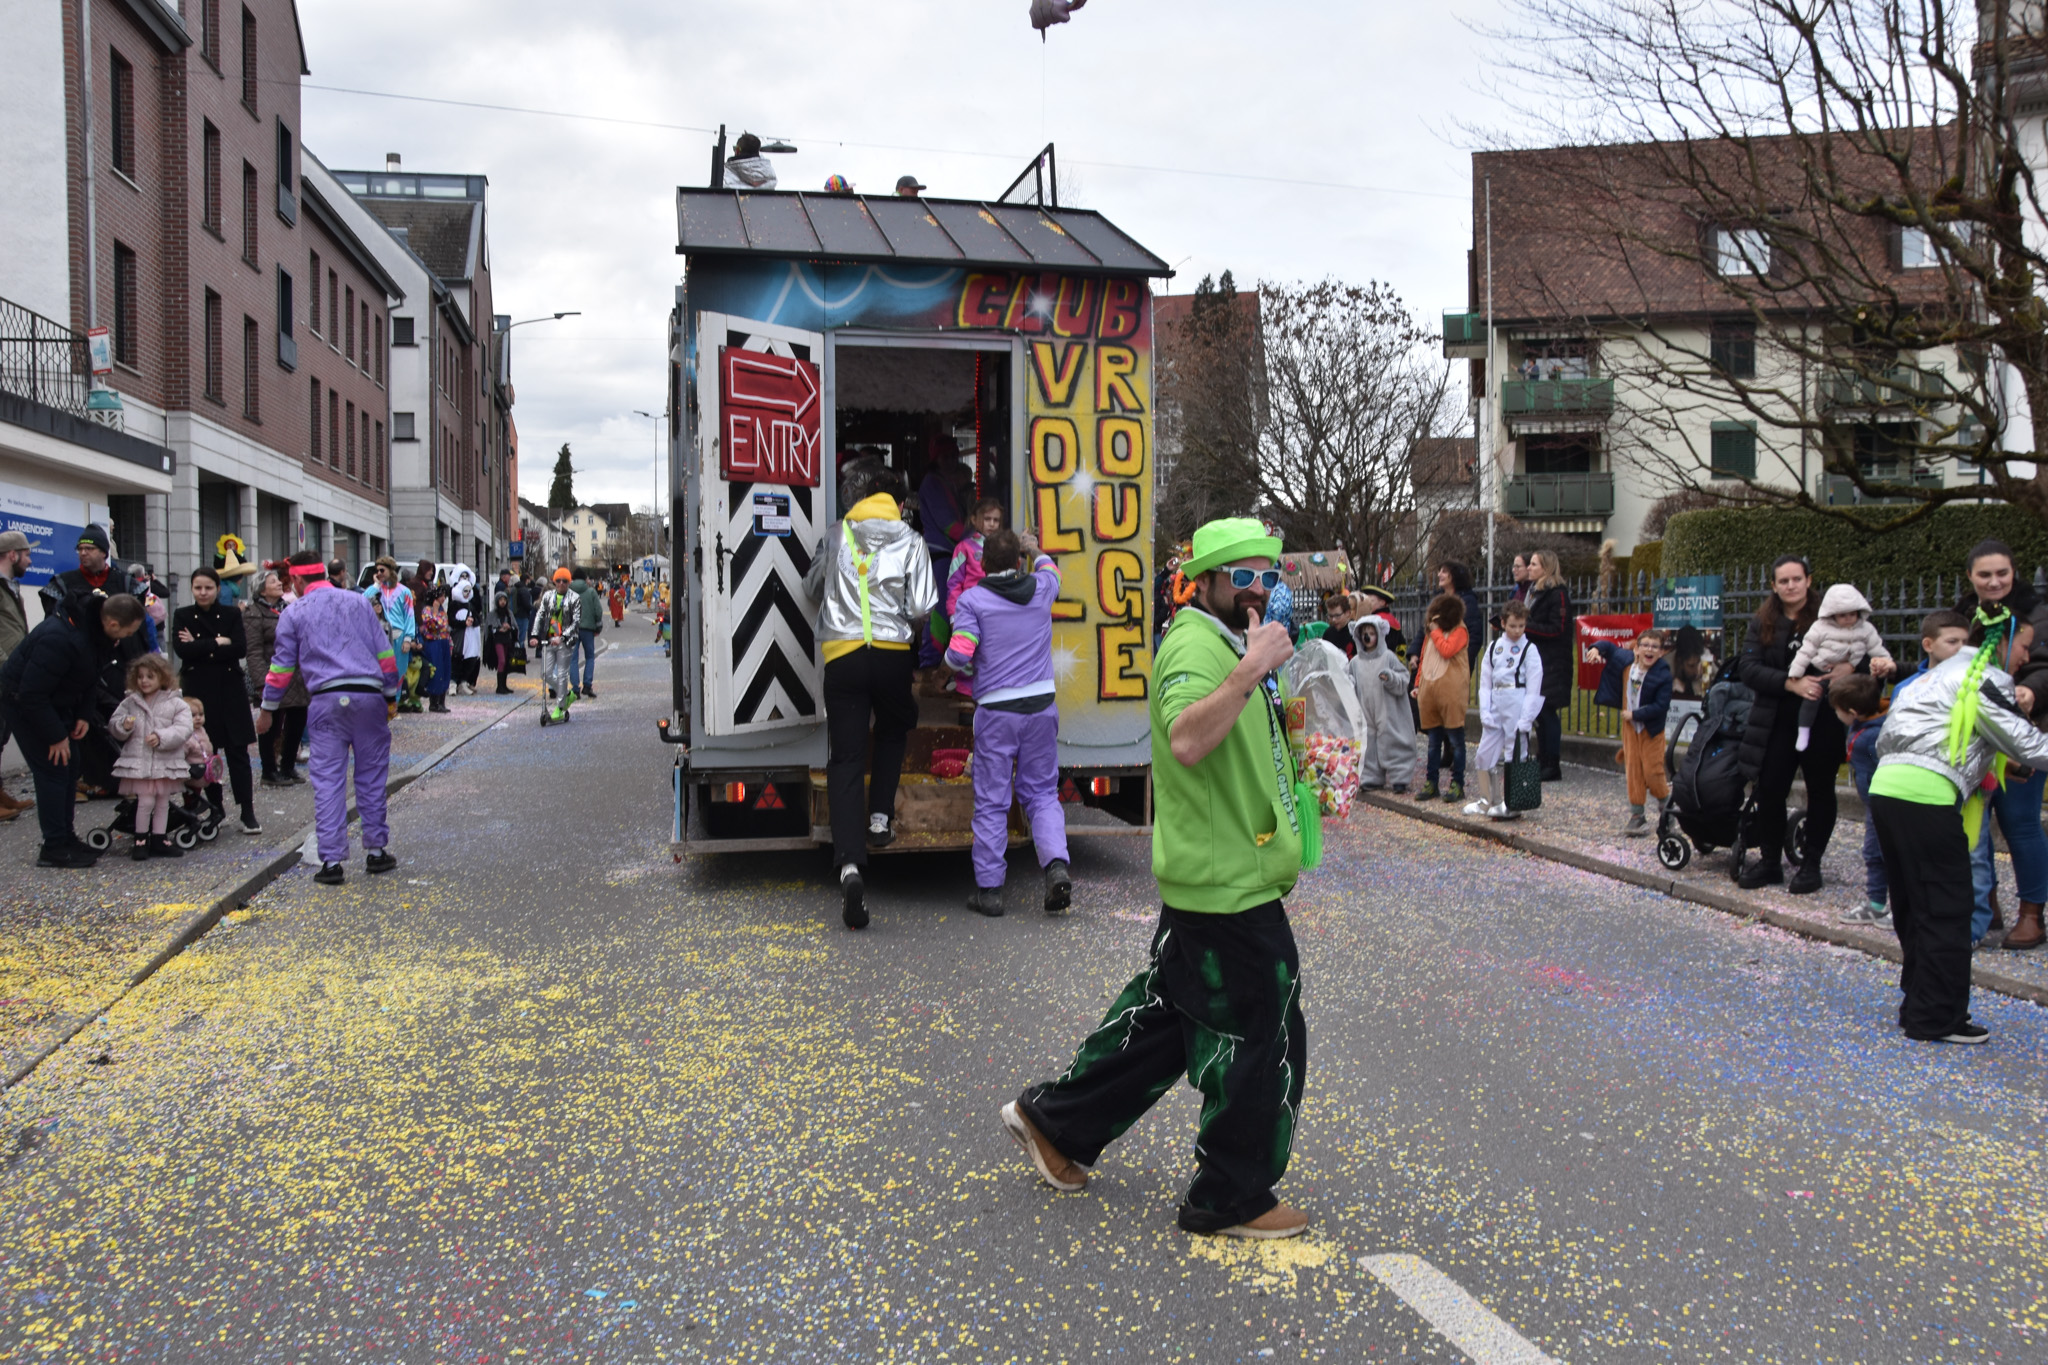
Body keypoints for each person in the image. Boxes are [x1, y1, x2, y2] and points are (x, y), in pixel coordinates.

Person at [1002, 515, 1310, 1240]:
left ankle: (1056, 1123)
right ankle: (1228, 1195)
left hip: (1223, 871)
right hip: (1225, 883)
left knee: (1172, 1019)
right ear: (1205, 582)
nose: (1258, 588)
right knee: (1264, 1027)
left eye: (1268, 574)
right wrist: (1251, 669)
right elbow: (1187, 738)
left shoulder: (1226, 640)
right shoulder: (1195, 646)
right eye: (1243, 576)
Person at [1867, 604, 2048, 1043]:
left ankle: (1917, 1003)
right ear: (2002, 642)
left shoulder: (1930, 677)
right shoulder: (1985, 677)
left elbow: (1917, 736)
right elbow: (2027, 743)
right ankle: (1936, 1019)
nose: (2026, 657)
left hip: (1886, 792)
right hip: (1927, 798)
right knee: (1947, 909)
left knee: (1914, 906)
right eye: (2024, 647)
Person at [804, 455, 937, 930]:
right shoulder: (912, 540)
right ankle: (880, 820)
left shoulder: (837, 534)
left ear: (859, 499)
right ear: (899, 504)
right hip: (891, 657)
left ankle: (849, 866)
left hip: (842, 658)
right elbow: (921, 606)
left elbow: (812, 586)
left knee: (845, 757)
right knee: (895, 726)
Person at [1735, 555, 1894, 894]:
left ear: (1808, 580)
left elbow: (1872, 654)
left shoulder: (1836, 614)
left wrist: (1850, 670)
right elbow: (1747, 668)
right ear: (1774, 585)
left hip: (1824, 716)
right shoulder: (1763, 621)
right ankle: (1769, 861)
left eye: (1797, 579)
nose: (1791, 585)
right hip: (1776, 717)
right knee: (1770, 789)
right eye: (1783, 581)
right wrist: (1789, 683)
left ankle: (1811, 864)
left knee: (1820, 789)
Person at [943, 528, 1070, 917]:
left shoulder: (973, 600)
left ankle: (990, 891)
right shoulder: (1042, 587)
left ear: (982, 564)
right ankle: (1056, 866)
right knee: (1042, 793)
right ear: (1017, 561)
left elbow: (959, 653)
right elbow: (1051, 569)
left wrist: (949, 669)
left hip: (997, 712)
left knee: (992, 799)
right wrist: (1033, 548)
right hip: (1042, 707)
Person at [259, 551, 401, 885]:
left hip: (325, 700)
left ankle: (332, 861)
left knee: (328, 781)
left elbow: (281, 668)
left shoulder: (293, 613)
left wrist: (268, 709)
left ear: (297, 579)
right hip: (368, 697)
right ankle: (376, 851)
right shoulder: (358, 602)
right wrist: (390, 696)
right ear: (323, 573)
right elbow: (384, 652)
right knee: (371, 776)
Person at [0, 592, 145, 866]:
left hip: (55, 701)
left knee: (71, 765)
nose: (127, 638)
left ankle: (67, 837)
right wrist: (55, 736)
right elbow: (31, 694)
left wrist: (83, 715)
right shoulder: (59, 639)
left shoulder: (95, 633)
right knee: (54, 769)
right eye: (128, 632)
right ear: (113, 623)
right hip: (24, 703)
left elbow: (90, 677)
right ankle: (54, 847)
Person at [1954, 540, 2048, 950]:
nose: (1994, 582)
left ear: (2014, 572)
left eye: (2002, 573)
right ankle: (1985, 902)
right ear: (1970, 576)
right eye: (1985, 574)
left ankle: (2033, 914)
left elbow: (2044, 664)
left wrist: (2031, 691)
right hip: (1976, 734)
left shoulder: (2039, 614)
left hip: (2025, 728)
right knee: (1976, 824)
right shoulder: (1963, 614)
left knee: (2019, 822)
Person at [42, 523, 147, 798]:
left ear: (103, 552)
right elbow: (55, 621)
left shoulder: (126, 583)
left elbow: (140, 627)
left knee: (124, 718)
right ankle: (89, 780)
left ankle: (129, 777)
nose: (83, 553)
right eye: (80, 549)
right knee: (85, 723)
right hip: (81, 663)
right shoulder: (63, 584)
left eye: (89, 549)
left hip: (122, 663)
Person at [172, 566, 261, 834]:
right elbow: (182, 650)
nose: (203, 592)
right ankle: (215, 808)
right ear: (191, 588)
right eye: (198, 587)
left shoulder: (232, 614)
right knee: (204, 751)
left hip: (230, 688)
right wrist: (217, 642)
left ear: (217, 589)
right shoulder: (182, 614)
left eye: (208, 588)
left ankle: (247, 811)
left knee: (238, 751)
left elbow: (239, 648)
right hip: (198, 690)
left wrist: (201, 645)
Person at [1787, 584, 1893, 752]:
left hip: (1852, 674)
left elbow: (1876, 648)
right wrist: (1795, 672)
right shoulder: (1820, 628)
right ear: (1832, 614)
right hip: (1824, 670)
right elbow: (1806, 650)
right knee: (1812, 695)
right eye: (1843, 615)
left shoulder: (1865, 628)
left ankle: (1854, 737)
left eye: (1852, 614)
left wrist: (1886, 663)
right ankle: (1804, 730)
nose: (1848, 619)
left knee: (1855, 703)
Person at [107, 653, 193, 859]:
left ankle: (159, 838)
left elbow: (184, 728)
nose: (144, 681)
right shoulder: (130, 702)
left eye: (149, 676)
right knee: (145, 802)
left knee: (163, 802)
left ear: (162, 677)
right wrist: (123, 726)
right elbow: (114, 724)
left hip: (165, 762)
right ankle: (141, 840)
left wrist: (161, 736)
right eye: (140, 677)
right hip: (141, 762)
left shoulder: (176, 702)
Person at [1586, 627, 1672, 836]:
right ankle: (1637, 815)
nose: (1649, 650)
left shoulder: (1663, 675)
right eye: (1645, 645)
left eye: (1655, 647)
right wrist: (1595, 649)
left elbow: (1661, 706)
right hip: (1630, 729)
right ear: (1636, 649)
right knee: (1633, 771)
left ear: (1661, 652)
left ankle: (1666, 805)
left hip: (1651, 730)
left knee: (1652, 771)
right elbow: (1608, 647)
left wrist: (1636, 714)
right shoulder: (1626, 662)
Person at [1467, 599, 1544, 819]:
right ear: (1502, 623)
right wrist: (1485, 711)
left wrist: (1527, 717)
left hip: (1516, 699)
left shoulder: (1529, 649)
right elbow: (1485, 682)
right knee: (1484, 752)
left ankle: (1513, 802)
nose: (1517, 630)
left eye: (1521, 626)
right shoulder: (1494, 648)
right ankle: (1487, 800)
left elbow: (1534, 685)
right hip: (1497, 699)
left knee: (1515, 751)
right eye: (1512, 626)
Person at [243, 569, 308, 787]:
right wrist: (262, 682)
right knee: (270, 725)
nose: (279, 583)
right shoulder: (254, 613)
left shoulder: (288, 608)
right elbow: (253, 651)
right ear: (262, 589)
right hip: (272, 674)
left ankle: (288, 766)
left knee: (297, 721)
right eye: (273, 581)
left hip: (296, 676)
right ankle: (269, 770)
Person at [1412, 593, 1471, 803]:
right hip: (1431, 691)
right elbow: (1425, 659)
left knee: (1456, 740)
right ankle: (1432, 782)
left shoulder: (1459, 630)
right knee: (1433, 743)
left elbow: (1447, 650)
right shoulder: (1431, 634)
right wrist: (1418, 683)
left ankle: (1457, 783)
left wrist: (1435, 632)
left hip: (1451, 692)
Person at [1522, 550, 1574, 783]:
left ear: (1546, 567)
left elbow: (1557, 628)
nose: (1529, 568)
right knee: (1538, 712)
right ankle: (1543, 758)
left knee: (1547, 712)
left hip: (1553, 663)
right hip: (1538, 661)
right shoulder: (1534, 593)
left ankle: (1552, 763)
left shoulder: (1557, 594)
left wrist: (1526, 627)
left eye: (1534, 564)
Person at [1350, 615, 1415, 793]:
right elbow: (1350, 682)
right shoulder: (1355, 662)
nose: (1368, 637)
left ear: (1379, 635)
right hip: (1366, 710)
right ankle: (1371, 776)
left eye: (1372, 633)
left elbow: (1404, 678)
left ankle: (1400, 776)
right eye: (1365, 633)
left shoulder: (1388, 657)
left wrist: (1391, 678)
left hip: (1387, 709)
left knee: (1393, 740)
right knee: (1368, 743)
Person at [0, 528, 36, 820]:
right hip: (3, 670)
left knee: (2, 735)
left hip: (11, 673)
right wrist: (5, 665)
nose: (29, 560)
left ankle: (0, 793)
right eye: (26, 554)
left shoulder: (9, 587)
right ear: (12, 555)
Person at [530, 568, 583, 715]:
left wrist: (563, 637)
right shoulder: (548, 596)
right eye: (558, 580)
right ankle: (566, 693)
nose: (561, 583)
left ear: (569, 582)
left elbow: (576, 622)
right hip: (549, 640)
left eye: (564, 581)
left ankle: (560, 707)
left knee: (561, 674)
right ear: (554, 581)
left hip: (565, 642)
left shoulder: (575, 598)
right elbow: (540, 615)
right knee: (545, 674)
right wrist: (534, 635)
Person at [1437, 560, 1483, 666]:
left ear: (1454, 575)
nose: (1439, 574)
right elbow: (1424, 629)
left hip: (1456, 661)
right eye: (1439, 571)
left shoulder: (1468, 601)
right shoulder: (1436, 600)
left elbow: (1474, 634)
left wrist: (1465, 660)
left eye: (1444, 571)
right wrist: (1414, 653)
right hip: (1435, 660)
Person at [417, 584, 453, 713]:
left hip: (444, 642)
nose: (443, 598)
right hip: (433, 642)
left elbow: (445, 626)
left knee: (445, 670)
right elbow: (433, 626)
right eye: (441, 596)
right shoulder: (427, 610)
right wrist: (435, 612)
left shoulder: (442, 610)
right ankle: (434, 702)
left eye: (444, 596)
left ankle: (442, 701)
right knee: (437, 670)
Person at [448, 568, 483, 696]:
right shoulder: (454, 604)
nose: (467, 594)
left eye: (469, 591)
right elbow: (450, 620)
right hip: (458, 637)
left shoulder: (470, 605)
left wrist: (472, 621)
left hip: (470, 637)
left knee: (469, 660)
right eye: (465, 591)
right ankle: (452, 683)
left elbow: (478, 618)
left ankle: (463, 682)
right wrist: (463, 623)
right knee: (456, 659)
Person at [571, 568, 603, 699]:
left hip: (572, 629)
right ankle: (587, 685)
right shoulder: (591, 592)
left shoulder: (567, 592)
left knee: (573, 659)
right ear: (585, 579)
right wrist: (597, 626)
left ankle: (575, 689)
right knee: (590, 657)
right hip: (588, 629)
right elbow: (598, 610)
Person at [489, 592, 518, 694]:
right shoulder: (493, 614)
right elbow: (490, 628)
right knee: (501, 661)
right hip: (498, 640)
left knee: (506, 662)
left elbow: (515, 626)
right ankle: (499, 686)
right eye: (500, 600)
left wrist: (509, 627)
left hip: (507, 639)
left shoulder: (509, 613)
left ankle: (504, 685)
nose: (503, 602)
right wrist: (498, 629)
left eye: (504, 600)